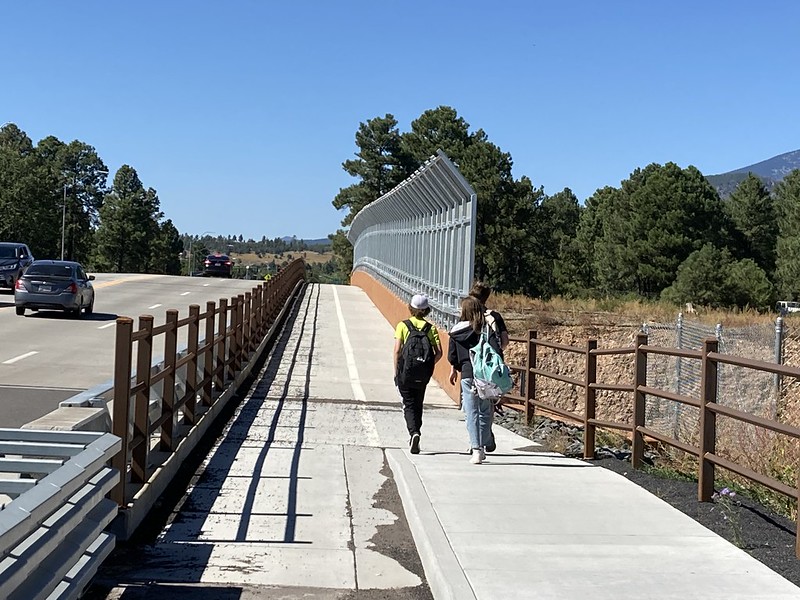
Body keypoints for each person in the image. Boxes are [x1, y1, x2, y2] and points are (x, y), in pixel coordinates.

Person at [448, 296, 503, 464]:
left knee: (471, 413)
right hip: (485, 376)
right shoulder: (486, 329)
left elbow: (452, 356)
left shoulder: (456, 331)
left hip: (467, 374)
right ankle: (485, 442)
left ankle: (476, 450)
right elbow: (497, 351)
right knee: (485, 411)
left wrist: (458, 368)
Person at [394, 293, 442, 454]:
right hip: (422, 374)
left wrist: (397, 371)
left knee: (408, 403)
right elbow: (439, 352)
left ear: (411, 308)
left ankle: (413, 432)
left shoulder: (403, 325)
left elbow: (397, 351)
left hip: (405, 372)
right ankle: (416, 432)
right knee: (418, 402)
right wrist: (427, 365)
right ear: (427, 310)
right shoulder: (431, 328)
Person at [468, 281, 509, 453]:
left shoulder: (467, 316)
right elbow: (505, 341)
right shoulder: (495, 316)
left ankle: (475, 441)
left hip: (471, 364)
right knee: (488, 403)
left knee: (472, 406)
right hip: (491, 366)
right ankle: (485, 436)